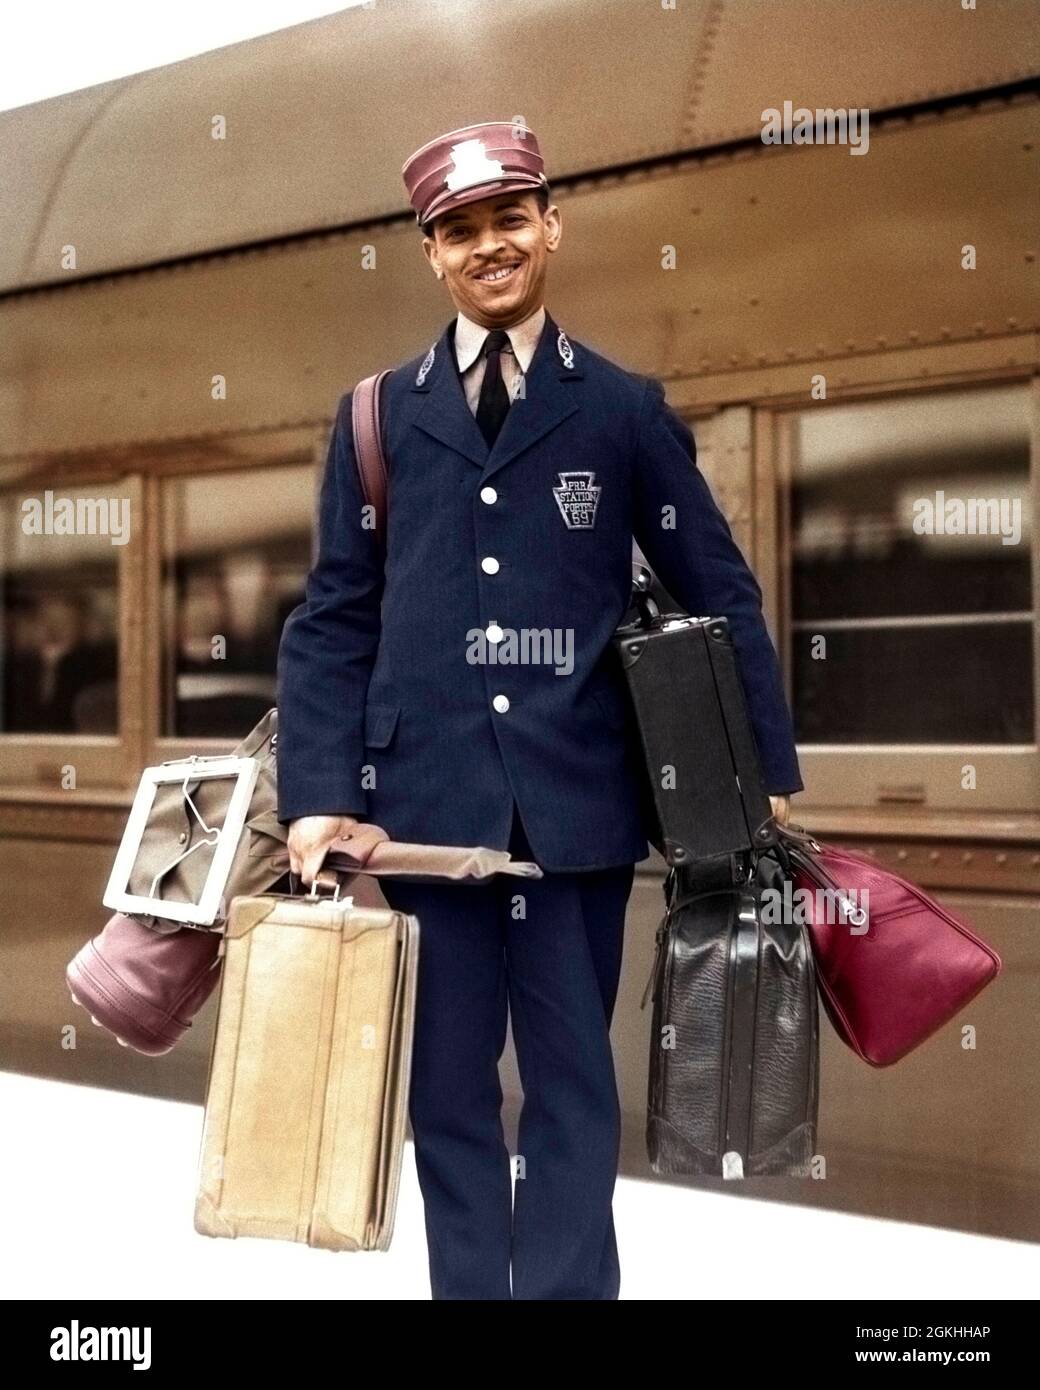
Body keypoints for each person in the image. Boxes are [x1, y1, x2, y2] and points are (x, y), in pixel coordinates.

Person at [276, 120, 802, 1300]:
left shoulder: (620, 408)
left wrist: (758, 762)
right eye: (458, 230)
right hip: (421, 818)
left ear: (550, 227)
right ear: (430, 254)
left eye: (509, 218)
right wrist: (316, 797)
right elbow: (332, 617)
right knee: (448, 1096)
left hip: (577, 815)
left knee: (572, 1092)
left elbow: (716, 590)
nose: (488, 245)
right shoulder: (373, 418)